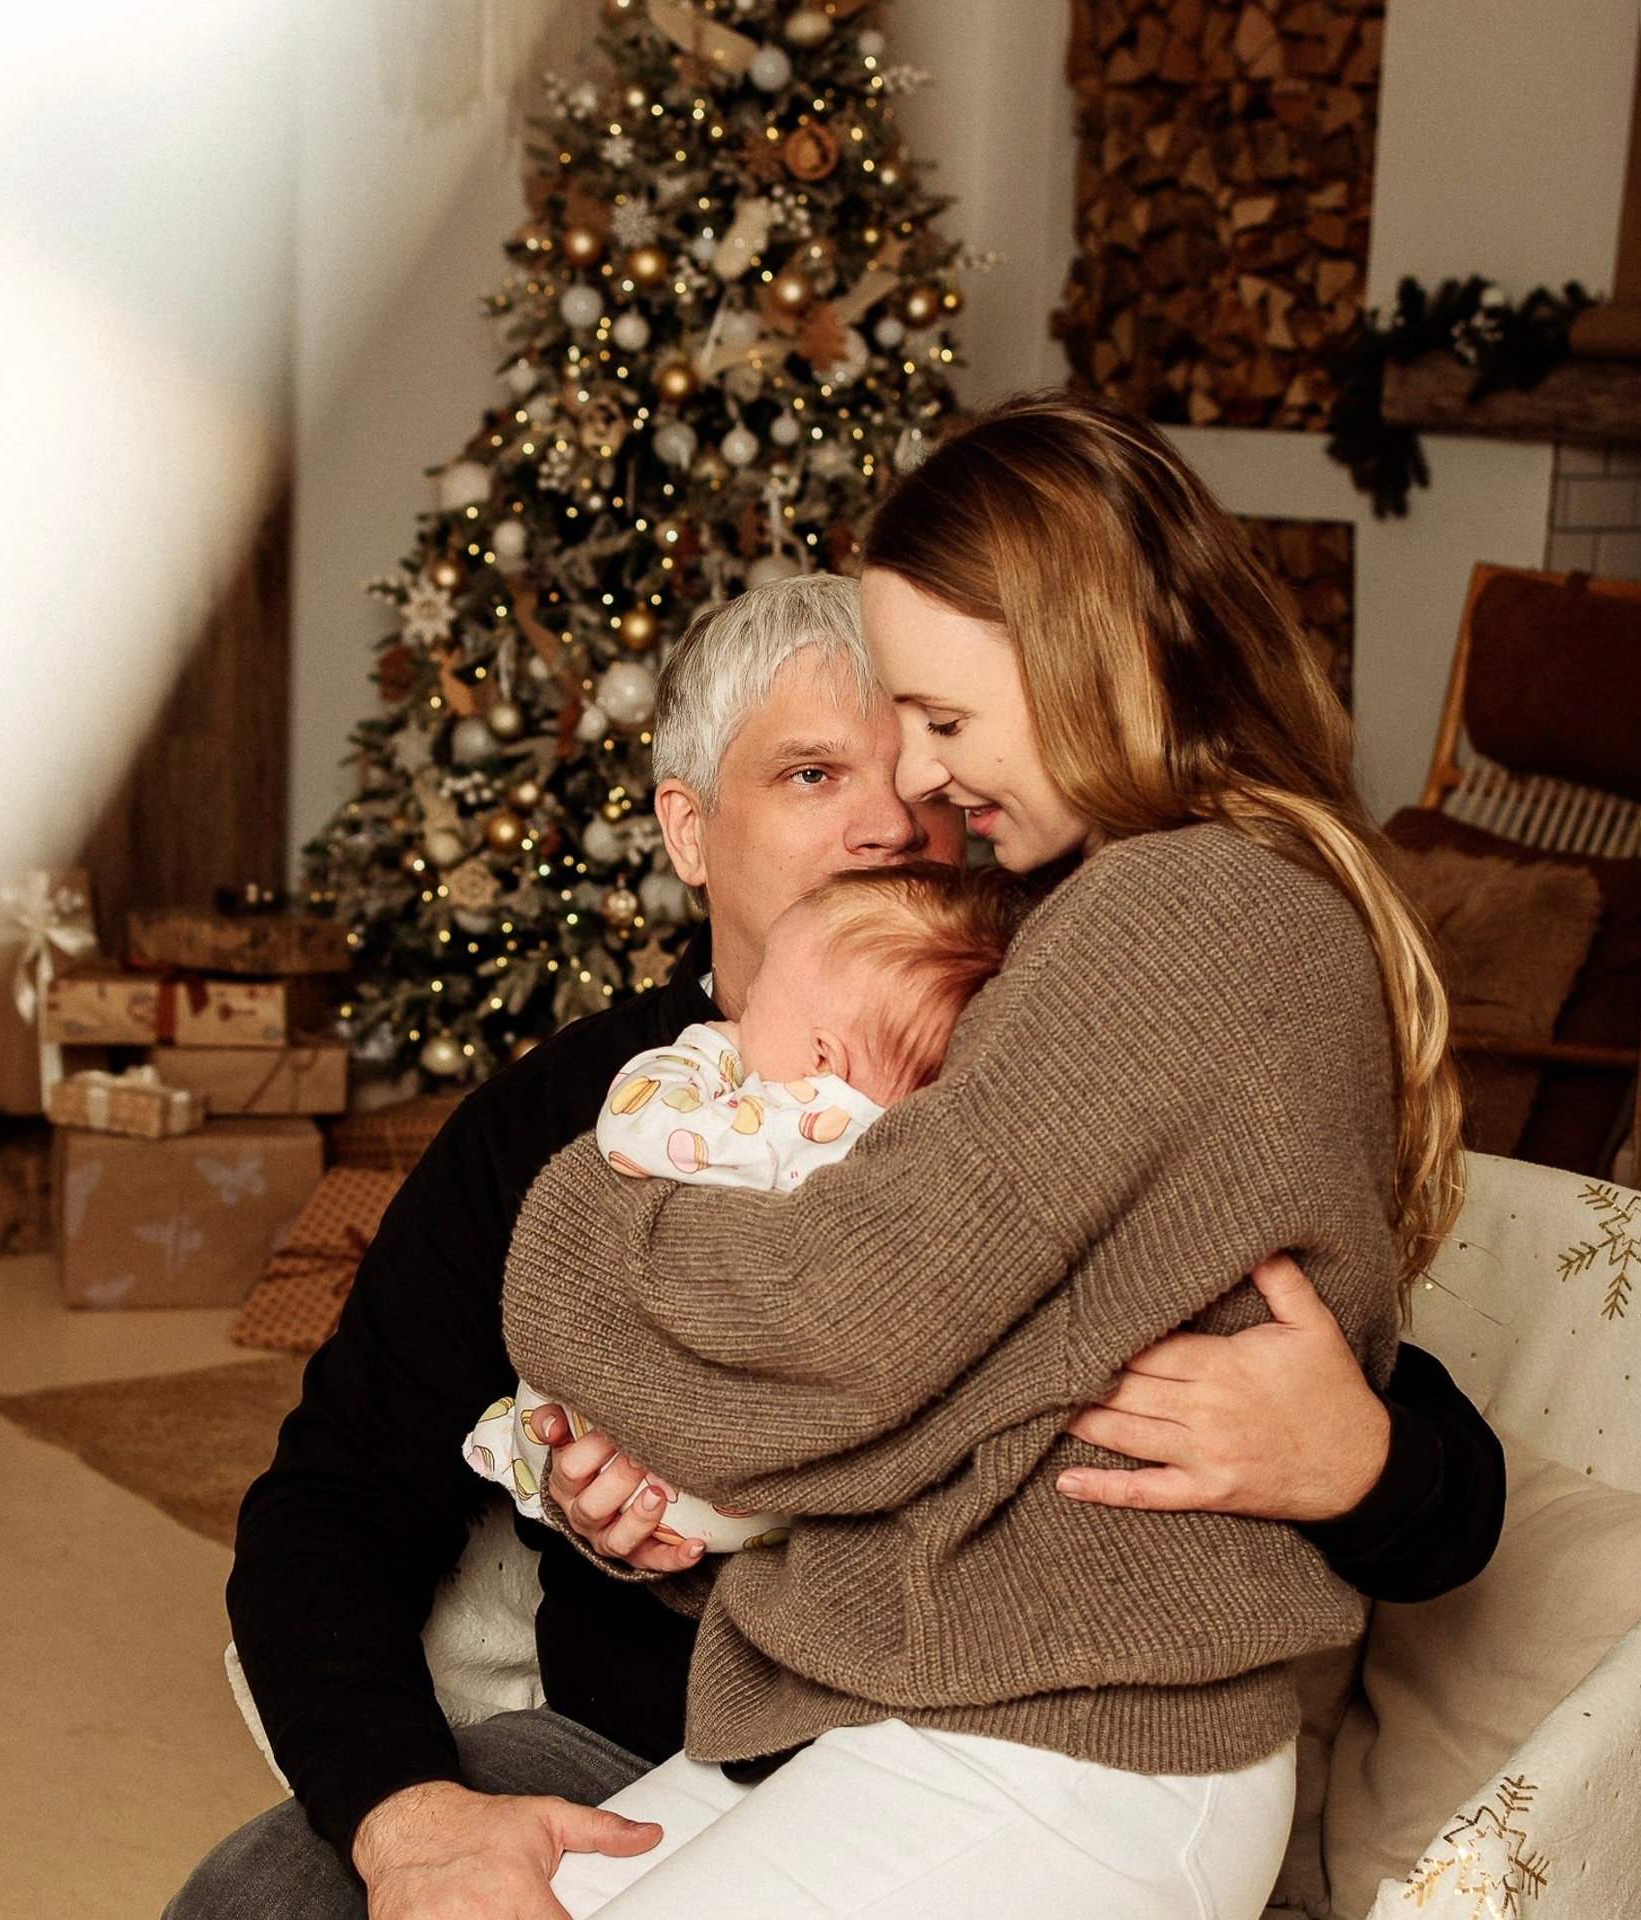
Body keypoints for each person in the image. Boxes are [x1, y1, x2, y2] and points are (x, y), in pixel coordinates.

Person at [168, 571, 1504, 1920]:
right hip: (654, 1746)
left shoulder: (1037, 1061)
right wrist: (408, 1809)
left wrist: (1369, 1462)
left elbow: (1372, 1399)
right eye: (812, 775)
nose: (891, 820)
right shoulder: (575, 1119)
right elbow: (333, 1498)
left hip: (1001, 1743)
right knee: (267, 1895)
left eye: (925, 766)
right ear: (688, 829)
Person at [498, 393, 1474, 1919]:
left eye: (943, 723)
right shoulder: (1140, 909)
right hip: (930, 1707)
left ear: (1089, 654)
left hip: (1068, 1749)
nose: (920, 779)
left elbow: (836, 1334)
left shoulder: (1185, 915)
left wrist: (576, 1215)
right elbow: (944, 1382)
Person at [464, 863, 1023, 1555]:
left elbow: (633, 1131)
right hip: (769, 1513)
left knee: (543, 1406)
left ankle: (518, 1449)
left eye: (758, 1006)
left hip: (665, 1481)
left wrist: (703, 1052)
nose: (738, 1016)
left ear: (822, 1060)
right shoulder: (911, 1156)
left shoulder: (793, 1121)